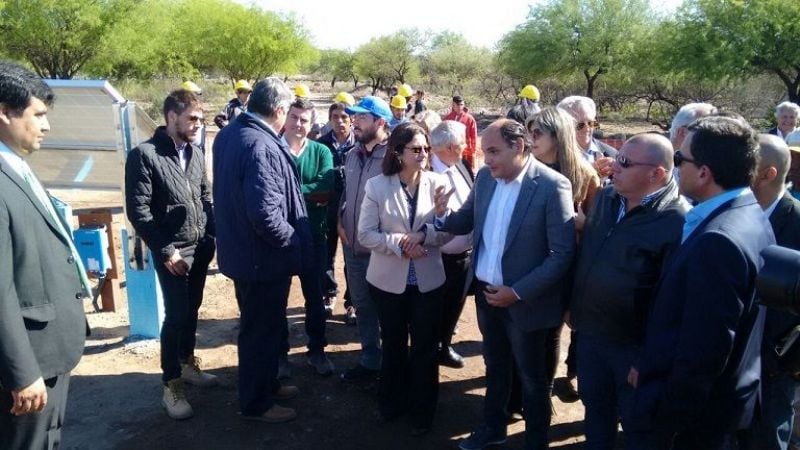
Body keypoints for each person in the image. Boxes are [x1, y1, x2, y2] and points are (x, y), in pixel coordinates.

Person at [628, 116, 775, 449]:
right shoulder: (750, 212)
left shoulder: (718, 240)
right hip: (723, 407)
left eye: (680, 159)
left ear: (705, 172)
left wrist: (671, 423)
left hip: (695, 422)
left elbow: (704, 350)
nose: (675, 166)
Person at [435, 119, 576, 450]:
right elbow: (464, 220)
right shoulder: (485, 178)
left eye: (494, 151)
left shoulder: (551, 186)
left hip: (525, 302)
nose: (487, 160)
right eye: (485, 152)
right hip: (487, 295)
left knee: (532, 378)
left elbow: (562, 253)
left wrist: (517, 292)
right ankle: (493, 427)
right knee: (495, 367)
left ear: (519, 146)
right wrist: (442, 214)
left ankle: (536, 440)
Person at [569, 134, 688, 450]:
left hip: (633, 350)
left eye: (625, 162)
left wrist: (648, 358)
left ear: (657, 174)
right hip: (591, 335)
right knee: (596, 413)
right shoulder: (607, 198)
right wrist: (574, 306)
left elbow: (672, 301)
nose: (613, 166)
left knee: (638, 428)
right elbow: (589, 255)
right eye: (617, 157)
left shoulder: (677, 220)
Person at [0, 60, 90, 450]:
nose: (47, 125)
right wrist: (20, 372)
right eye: (37, 115)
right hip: (29, 365)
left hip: (48, 355)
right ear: (4, 112)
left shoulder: (16, 166)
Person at [213, 77, 310, 423]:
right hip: (261, 259)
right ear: (280, 110)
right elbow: (265, 214)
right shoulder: (260, 144)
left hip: (246, 255)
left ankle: (267, 385)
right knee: (258, 332)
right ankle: (257, 403)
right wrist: (294, 241)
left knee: (265, 327)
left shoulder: (230, 134)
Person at [125, 89, 217, 420]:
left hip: (200, 247)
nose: (198, 124)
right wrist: (166, 251)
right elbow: (139, 211)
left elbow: (205, 196)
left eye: (201, 119)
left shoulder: (195, 152)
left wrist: (212, 235)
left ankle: (188, 362)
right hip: (173, 251)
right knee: (176, 315)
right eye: (192, 118)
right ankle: (171, 383)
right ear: (171, 117)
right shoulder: (145, 155)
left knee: (191, 310)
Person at [358, 121, 452, 435]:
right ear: (398, 152)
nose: (424, 154)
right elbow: (366, 235)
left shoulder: (439, 183)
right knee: (395, 344)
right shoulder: (377, 186)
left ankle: (422, 411)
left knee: (426, 347)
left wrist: (426, 233)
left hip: (428, 282)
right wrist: (401, 244)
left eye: (426, 148)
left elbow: (448, 232)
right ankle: (392, 402)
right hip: (387, 283)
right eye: (416, 149)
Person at [526, 107, 601, 401]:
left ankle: (540, 396)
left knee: (550, 334)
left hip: (564, 270)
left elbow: (599, 231)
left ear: (558, 136)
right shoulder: (524, 169)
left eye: (537, 133)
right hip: (526, 264)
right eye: (529, 132)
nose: (530, 139)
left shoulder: (585, 176)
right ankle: (519, 393)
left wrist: (585, 225)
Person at [750, 134, 800, 450]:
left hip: (775, 364)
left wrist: (784, 361)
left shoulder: (796, 221)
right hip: (739, 356)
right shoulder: (738, 212)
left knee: (768, 437)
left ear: (768, 174)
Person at [338, 96, 393, 382]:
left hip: (382, 250)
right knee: (362, 304)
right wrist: (340, 220)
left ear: (380, 122)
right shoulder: (351, 153)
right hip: (352, 246)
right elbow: (347, 195)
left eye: (361, 117)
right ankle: (370, 359)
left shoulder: (394, 158)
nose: (354, 121)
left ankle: (392, 365)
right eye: (354, 117)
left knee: (388, 307)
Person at [280, 98, 335, 377]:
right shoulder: (274, 149)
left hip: (314, 235)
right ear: (284, 118)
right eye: (294, 117)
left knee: (315, 297)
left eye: (304, 119)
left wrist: (288, 194)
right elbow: (268, 191)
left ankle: (317, 350)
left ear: (312, 123)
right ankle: (280, 355)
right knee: (277, 299)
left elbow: (327, 185)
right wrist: (309, 195)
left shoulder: (322, 151)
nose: (298, 124)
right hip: (278, 237)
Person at [429, 120, 474, 368]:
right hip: (437, 257)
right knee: (434, 308)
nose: (466, 146)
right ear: (448, 147)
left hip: (463, 255)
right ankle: (431, 349)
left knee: (455, 306)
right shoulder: (427, 173)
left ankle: (443, 345)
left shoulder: (460, 165)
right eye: (461, 142)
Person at [316, 102, 357, 318]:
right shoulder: (321, 145)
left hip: (353, 209)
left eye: (344, 116)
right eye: (335, 117)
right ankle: (328, 293)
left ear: (351, 119)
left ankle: (352, 302)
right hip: (327, 207)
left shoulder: (360, 145)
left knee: (353, 256)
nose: (340, 121)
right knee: (326, 254)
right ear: (330, 119)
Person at [557, 96, 617, 179]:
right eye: (579, 125)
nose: (586, 128)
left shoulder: (611, 154)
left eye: (591, 123)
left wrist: (618, 170)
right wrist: (589, 172)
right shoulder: (553, 156)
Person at [443, 96, 479, 171]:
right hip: (452, 151)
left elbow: (474, 136)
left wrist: (473, 151)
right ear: (453, 105)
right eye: (458, 105)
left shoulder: (469, 119)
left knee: (468, 172)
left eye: (461, 105)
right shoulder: (448, 118)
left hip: (466, 151)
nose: (460, 107)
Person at [180, 81, 207, 152]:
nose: (196, 97)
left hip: (198, 150)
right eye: (194, 94)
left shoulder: (198, 109)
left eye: (197, 94)